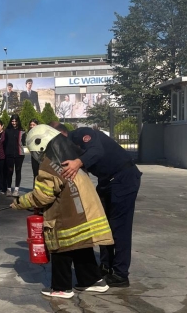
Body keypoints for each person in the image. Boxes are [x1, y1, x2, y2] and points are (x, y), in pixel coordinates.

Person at [11, 125, 114, 299]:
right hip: (84, 213)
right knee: (81, 246)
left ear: (40, 145)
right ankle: (92, 281)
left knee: (60, 249)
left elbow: (43, 196)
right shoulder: (71, 157)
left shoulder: (48, 165)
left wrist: (20, 202)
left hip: (67, 214)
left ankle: (61, 288)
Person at [60, 127, 142, 287]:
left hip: (124, 178)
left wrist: (78, 162)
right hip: (106, 182)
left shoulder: (82, 134)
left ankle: (120, 274)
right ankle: (105, 265)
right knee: (103, 225)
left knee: (120, 227)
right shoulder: (67, 148)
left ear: (62, 133)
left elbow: (96, 151)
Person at [3, 114, 26, 196]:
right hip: (9, 154)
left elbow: (23, 143)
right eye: (12, 121)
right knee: (9, 171)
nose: (14, 123)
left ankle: (16, 190)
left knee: (18, 171)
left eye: (15, 121)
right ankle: (9, 189)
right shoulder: (7, 131)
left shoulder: (22, 131)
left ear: (18, 121)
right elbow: (5, 143)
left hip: (19, 155)